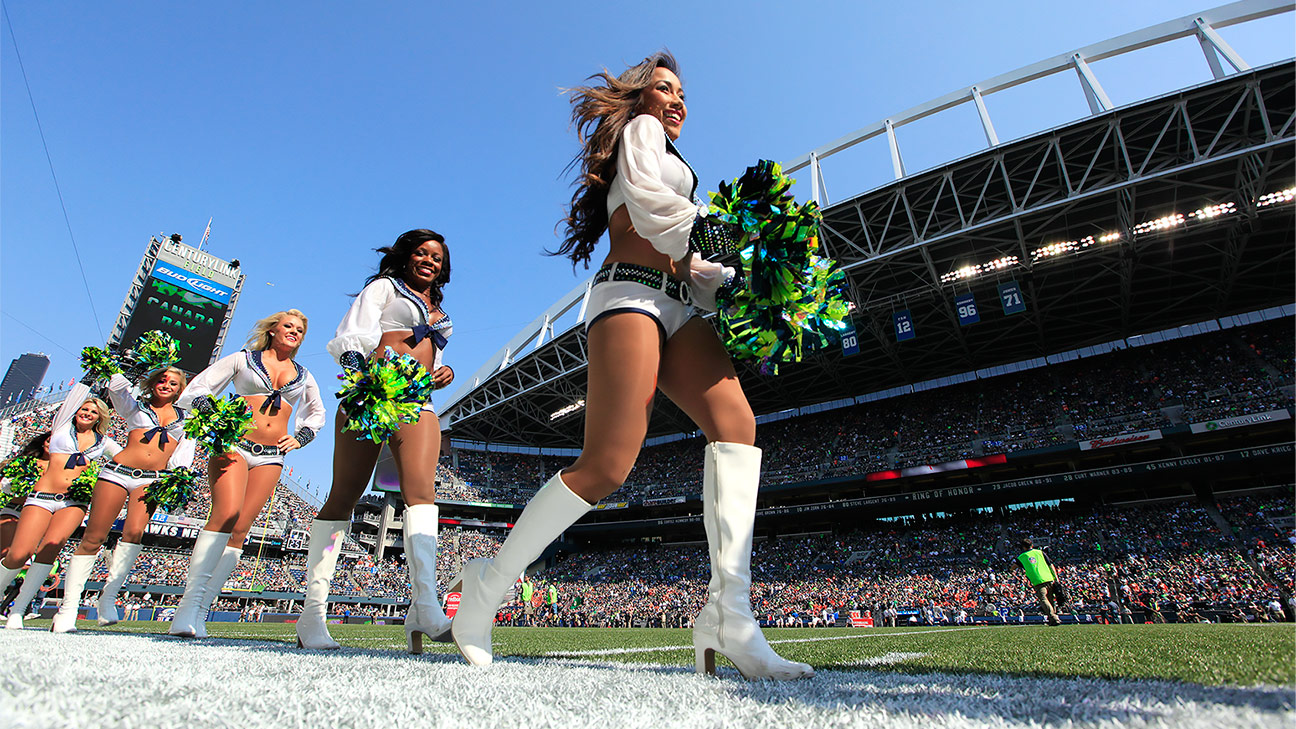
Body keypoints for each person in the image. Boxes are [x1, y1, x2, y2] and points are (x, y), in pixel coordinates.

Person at [449, 51, 812, 680]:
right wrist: (721, 233)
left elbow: (690, 257)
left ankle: (731, 615)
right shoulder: (641, 137)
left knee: (737, 426)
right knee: (608, 465)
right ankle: (488, 587)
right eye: (664, 89)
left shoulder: (684, 167)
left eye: (682, 95)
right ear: (642, 97)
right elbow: (649, 207)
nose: (676, 101)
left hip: (677, 305)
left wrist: (739, 273)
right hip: (630, 295)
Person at [299, 229, 455, 651]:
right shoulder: (384, 287)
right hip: (371, 391)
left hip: (416, 400)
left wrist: (446, 373)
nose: (429, 260)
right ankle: (312, 614)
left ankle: (424, 603)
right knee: (343, 496)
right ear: (406, 257)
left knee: (421, 494)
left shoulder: (437, 307)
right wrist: (362, 383)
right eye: (422, 253)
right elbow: (353, 337)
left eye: (437, 257)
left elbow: (432, 356)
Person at [167, 310, 327, 638]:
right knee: (225, 513)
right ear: (272, 330)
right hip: (234, 443)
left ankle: (202, 610)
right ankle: (186, 608)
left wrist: (301, 438)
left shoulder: (304, 374)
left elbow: (316, 413)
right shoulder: (243, 359)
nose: (294, 332)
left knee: (241, 530)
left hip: (272, 456)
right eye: (288, 326)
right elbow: (198, 389)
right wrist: (216, 413)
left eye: (300, 330)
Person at [53, 367, 195, 633]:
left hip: (151, 479)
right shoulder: (136, 408)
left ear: (180, 389)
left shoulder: (186, 419)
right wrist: (134, 368)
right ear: (153, 384)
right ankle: (68, 609)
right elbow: (117, 389)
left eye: (173, 383)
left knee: (134, 533)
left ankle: (107, 597)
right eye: (162, 380)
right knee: (94, 536)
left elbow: (185, 453)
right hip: (117, 472)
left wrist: (179, 477)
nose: (166, 385)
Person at [0, 384, 119, 629]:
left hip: (74, 502)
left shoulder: (104, 442)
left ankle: (18, 611)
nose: (87, 413)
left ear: (100, 418)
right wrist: (99, 372)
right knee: (19, 553)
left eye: (93, 412)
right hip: (42, 497)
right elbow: (76, 395)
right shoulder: (62, 428)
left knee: (48, 552)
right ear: (76, 411)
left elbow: (127, 457)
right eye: (83, 409)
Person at [0, 432, 52, 561]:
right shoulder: (23, 463)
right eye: (49, 440)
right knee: (7, 555)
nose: (51, 444)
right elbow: (5, 487)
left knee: (23, 558)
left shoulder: (68, 469)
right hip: (13, 511)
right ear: (42, 442)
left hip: (42, 517)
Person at [1017, 538, 1061, 626]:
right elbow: (1050, 564)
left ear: (1023, 547)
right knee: (1050, 599)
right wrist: (1056, 578)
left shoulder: (1022, 557)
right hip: (1049, 578)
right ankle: (1053, 619)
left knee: (1043, 599)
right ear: (1032, 545)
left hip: (1038, 580)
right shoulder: (1040, 552)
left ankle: (1054, 617)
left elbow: (1014, 567)